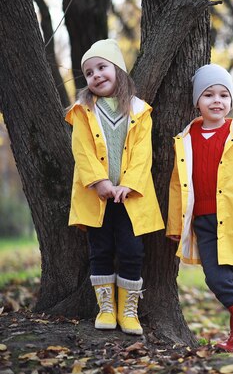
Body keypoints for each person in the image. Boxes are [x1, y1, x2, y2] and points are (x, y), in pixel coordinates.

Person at [166, 64, 233, 353]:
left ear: (230, 101)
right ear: (196, 101)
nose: (217, 101)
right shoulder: (186, 139)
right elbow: (178, 185)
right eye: (209, 94)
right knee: (217, 277)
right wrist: (176, 224)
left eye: (224, 95)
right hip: (204, 220)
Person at [65, 39, 164, 335]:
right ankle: (106, 309)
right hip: (97, 196)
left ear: (118, 69)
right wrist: (101, 181)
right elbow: (81, 150)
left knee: (133, 251)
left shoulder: (139, 110)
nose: (96, 75)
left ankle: (128, 312)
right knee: (100, 250)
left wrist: (129, 185)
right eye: (89, 72)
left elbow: (144, 154)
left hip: (131, 197)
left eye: (102, 67)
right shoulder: (83, 110)